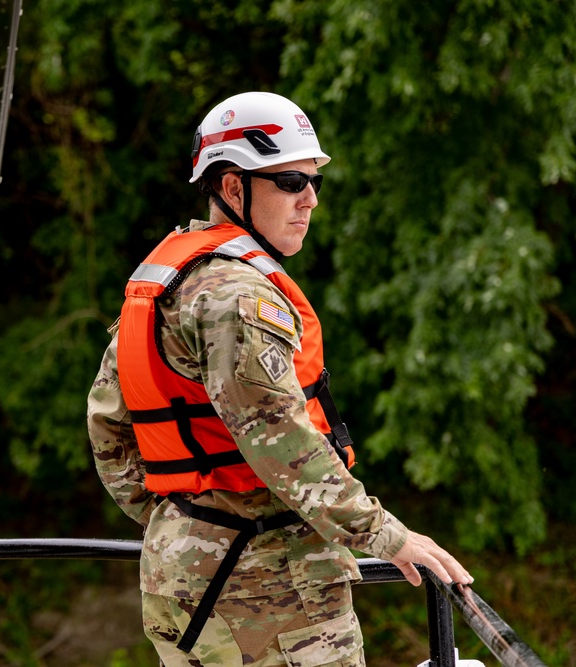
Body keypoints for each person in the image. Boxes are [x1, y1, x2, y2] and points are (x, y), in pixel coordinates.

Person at [87, 92, 473, 667]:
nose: (310, 199)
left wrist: (186, 521)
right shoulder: (238, 297)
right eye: (291, 181)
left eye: (314, 181)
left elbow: (108, 430)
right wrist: (387, 536)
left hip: (184, 579)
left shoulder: (170, 280)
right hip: (267, 593)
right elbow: (284, 445)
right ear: (233, 188)